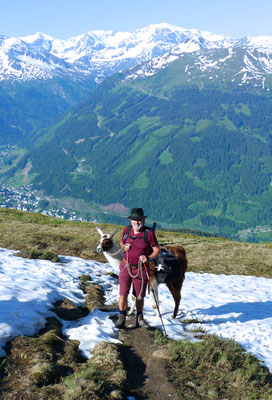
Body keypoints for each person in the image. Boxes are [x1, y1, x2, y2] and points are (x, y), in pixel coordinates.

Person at [115, 208, 160, 328]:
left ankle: (139, 317)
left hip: (140, 269)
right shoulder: (127, 229)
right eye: (134, 220)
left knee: (139, 295)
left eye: (139, 220)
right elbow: (121, 242)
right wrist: (124, 246)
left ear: (143, 220)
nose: (136, 222)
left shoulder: (149, 234)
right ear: (131, 220)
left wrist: (149, 258)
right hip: (126, 267)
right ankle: (121, 318)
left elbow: (156, 250)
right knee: (123, 294)